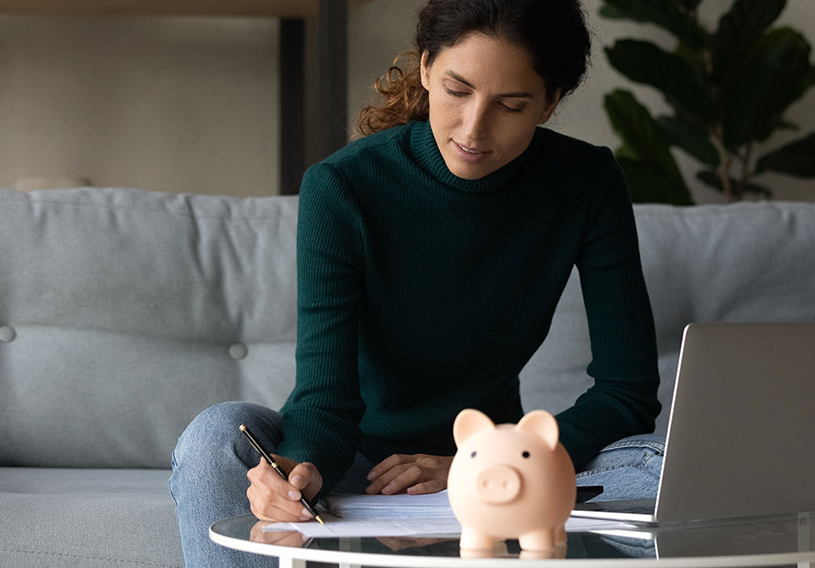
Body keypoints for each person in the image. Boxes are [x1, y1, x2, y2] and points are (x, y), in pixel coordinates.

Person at [168, 0, 666, 565]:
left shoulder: (586, 182)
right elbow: (326, 401)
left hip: (497, 474)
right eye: (457, 91)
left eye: (510, 105)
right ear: (426, 68)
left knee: (663, 468)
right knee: (215, 438)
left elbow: (627, 392)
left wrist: (484, 465)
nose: (474, 129)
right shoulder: (342, 187)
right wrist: (298, 470)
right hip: (357, 466)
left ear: (549, 103)